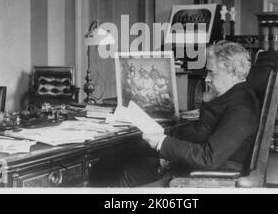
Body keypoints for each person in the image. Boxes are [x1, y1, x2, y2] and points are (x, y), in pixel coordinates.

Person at [89, 41, 260, 187]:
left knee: (129, 170)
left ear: (232, 72)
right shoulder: (233, 97)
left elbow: (209, 158)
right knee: (121, 161)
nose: (206, 79)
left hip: (207, 175)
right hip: (195, 166)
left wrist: (162, 142)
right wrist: (207, 102)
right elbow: (203, 132)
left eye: (211, 72)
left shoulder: (241, 109)